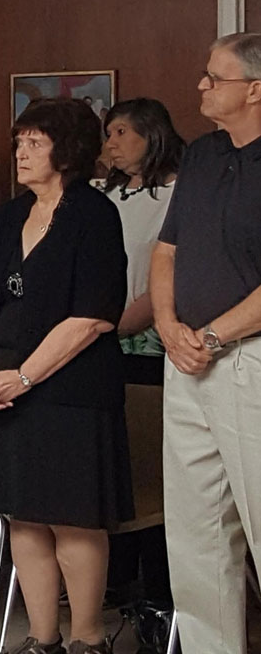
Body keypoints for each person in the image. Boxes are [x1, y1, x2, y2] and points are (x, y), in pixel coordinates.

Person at [0, 97, 133, 654]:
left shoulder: (93, 214)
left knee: (72, 519)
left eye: (35, 143)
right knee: (23, 519)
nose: (21, 152)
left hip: (71, 390)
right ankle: (42, 638)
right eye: (19, 142)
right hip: (5, 388)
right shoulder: (10, 214)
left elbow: (92, 318)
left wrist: (24, 377)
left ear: (68, 150)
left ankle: (88, 639)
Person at [150, 32, 261, 654]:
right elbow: (166, 250)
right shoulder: (202, 154)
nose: (201, 86)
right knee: (196, 534)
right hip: (186, 358)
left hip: (248, 358)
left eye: (214, 78)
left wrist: (214, 335)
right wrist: (167, 325)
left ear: (255, 89)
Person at [103, 98, 184, 652]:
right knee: (117, 466)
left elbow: (165, 275)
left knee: (153, 472)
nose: (110, 143)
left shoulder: (178, 194)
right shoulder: (105, 194)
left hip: (149, 347)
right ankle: (118, 584)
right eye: (107, 133)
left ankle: (158, 594)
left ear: (151, 136)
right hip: (100, 346)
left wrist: (113, 325)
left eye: (121, 132)